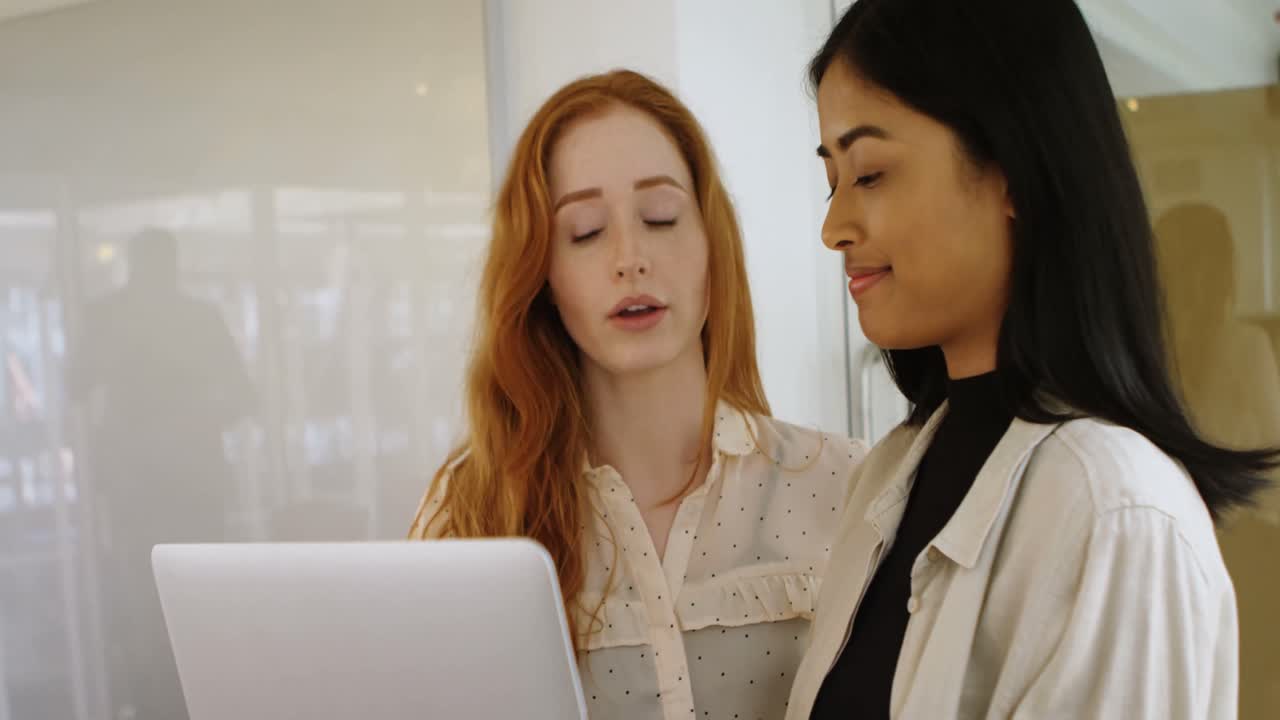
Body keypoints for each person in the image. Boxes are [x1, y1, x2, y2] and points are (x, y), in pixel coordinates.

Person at [784, 2, 1278, 719]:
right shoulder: (890, 473)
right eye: (833, 179)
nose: (833, 227)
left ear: (1012, 168)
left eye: (870, 174)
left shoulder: (1114, 511)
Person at [407, 70, 866, 720]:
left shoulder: (850, 486)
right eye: (586, 231)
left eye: (661, 217)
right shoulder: (469, 511)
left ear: (712, 243)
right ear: (543, 276)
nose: (630, 258)